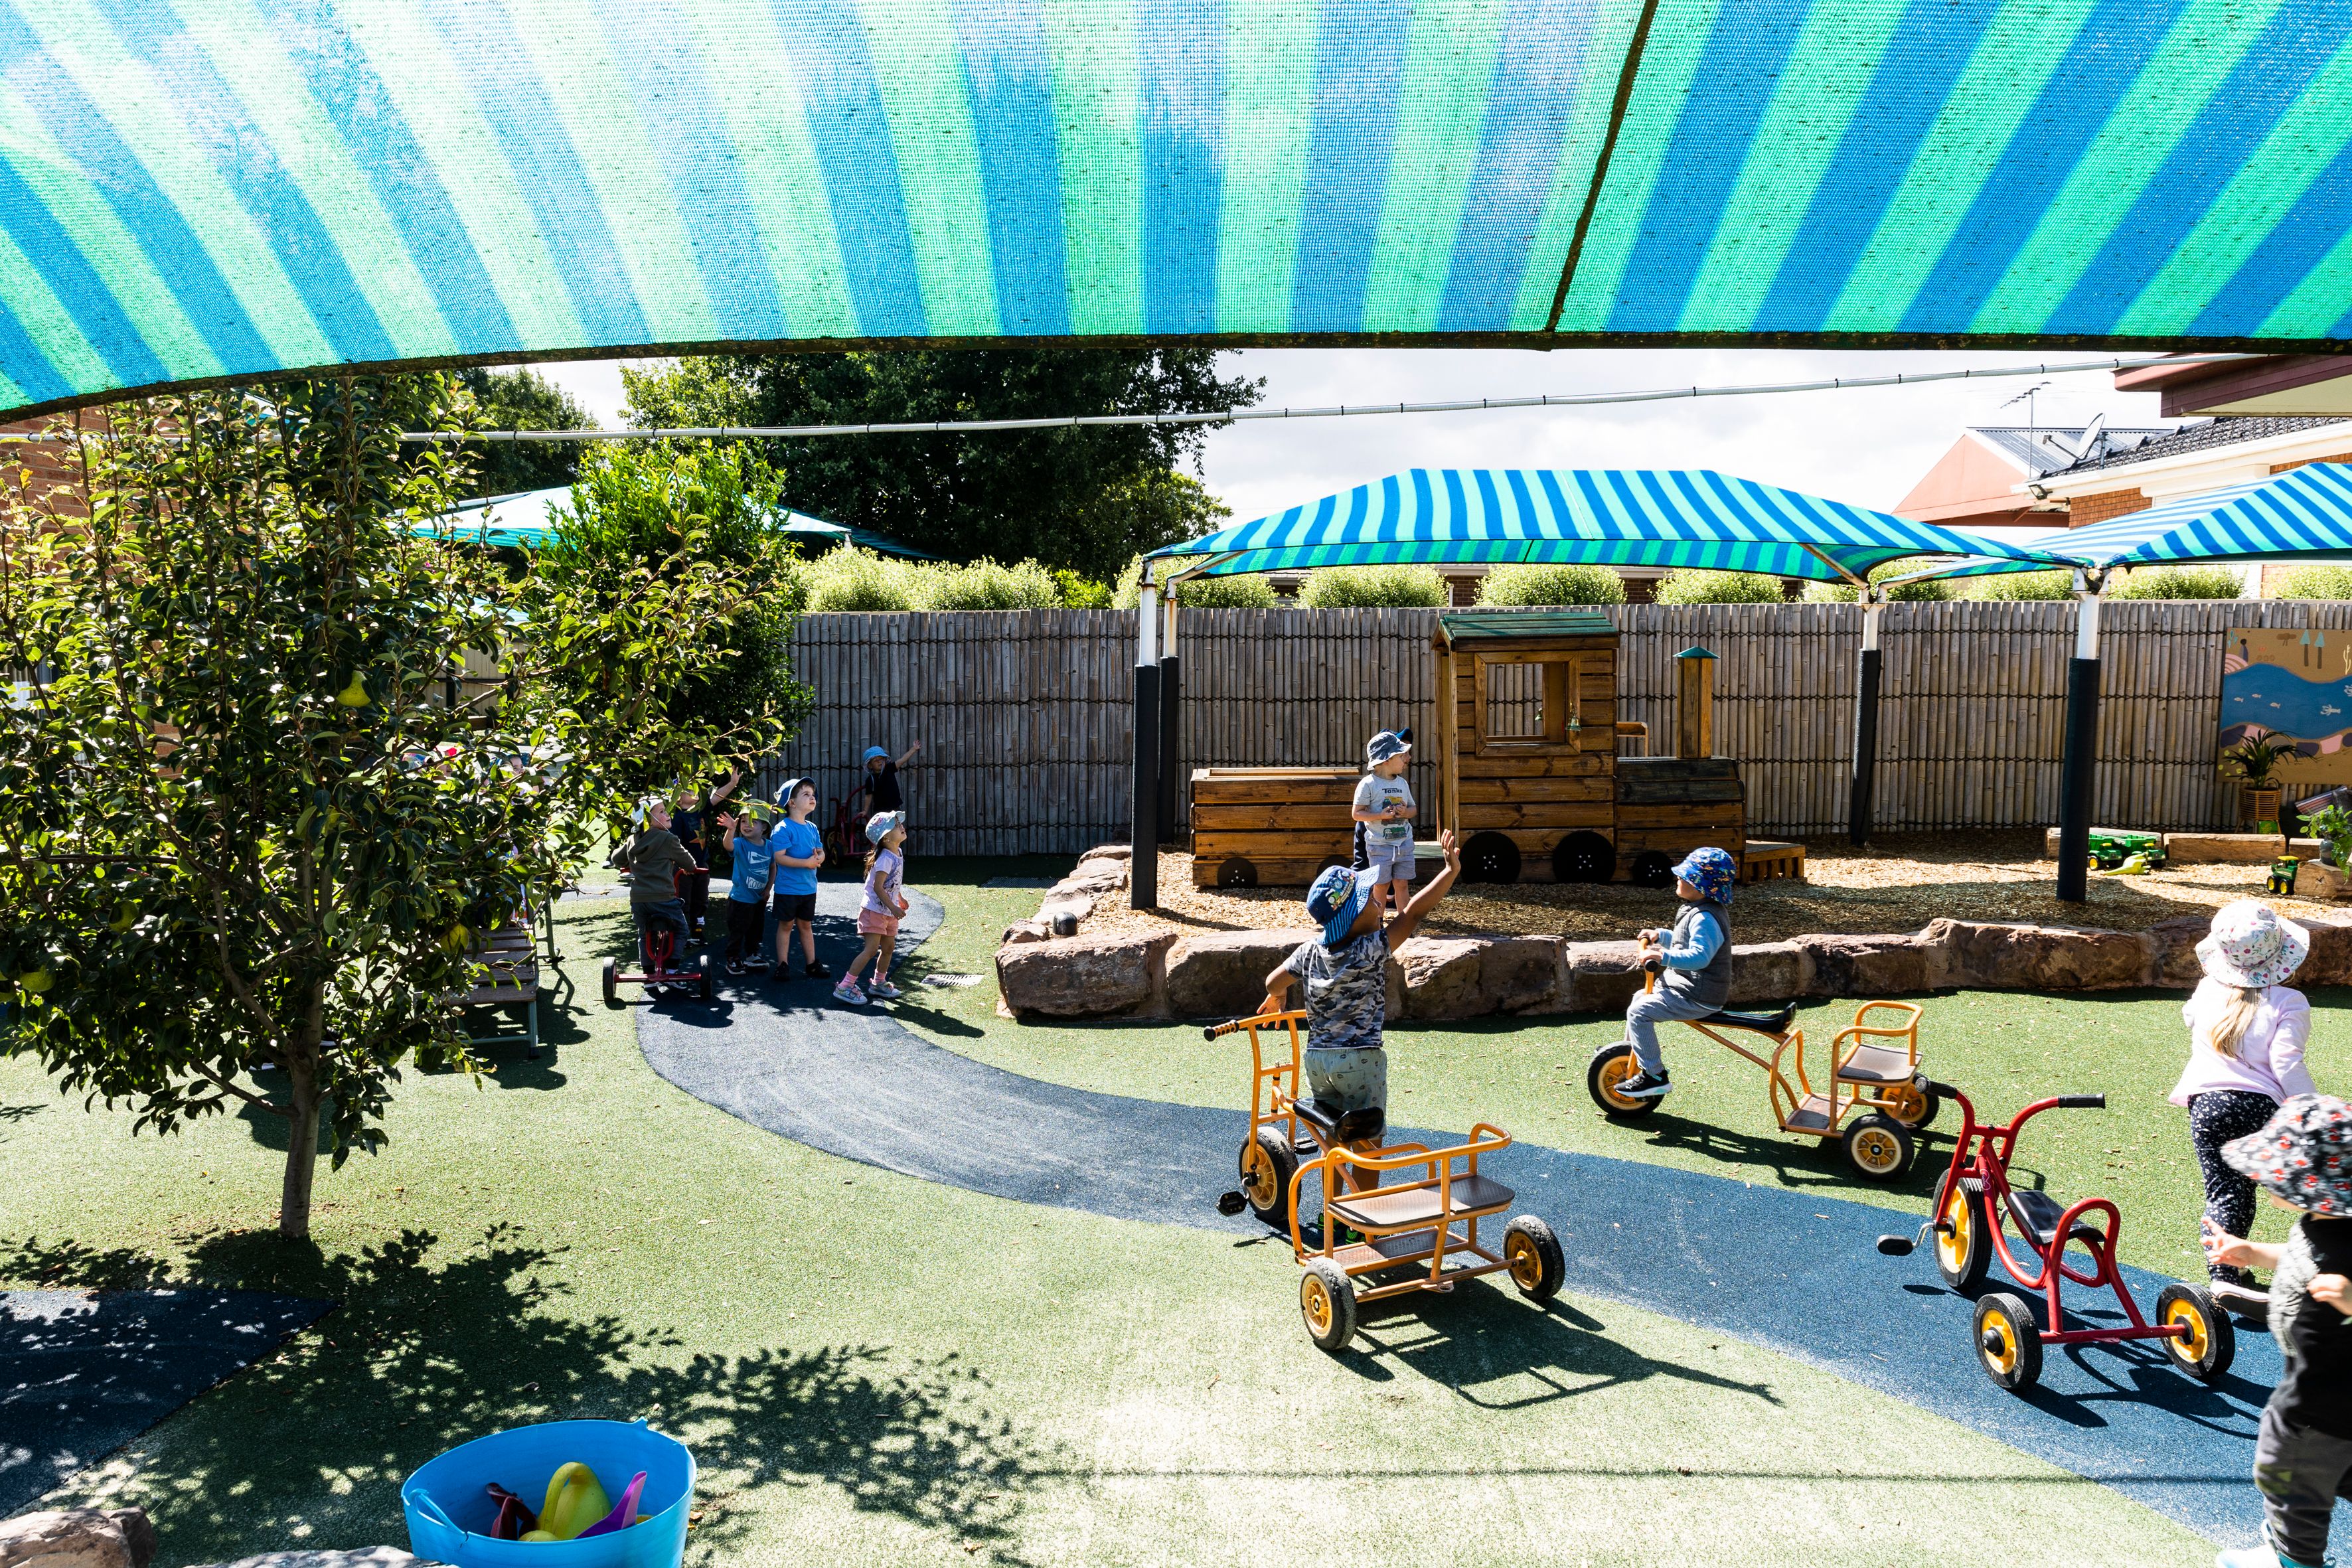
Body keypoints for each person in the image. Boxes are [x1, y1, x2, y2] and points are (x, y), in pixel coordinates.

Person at [1256, 829, 1462, 1192]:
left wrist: (1277, 998)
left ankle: (1332, 1214)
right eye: (1369, 899)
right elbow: (1413, 913)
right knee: (1367, 1143)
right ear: (1352, 918)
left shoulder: (1309, 952)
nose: (1379, 901)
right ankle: (1363, 1215)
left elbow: (1274, 981)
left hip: (1319, 1062)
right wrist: (1449, 872)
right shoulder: (1369, 949)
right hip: (1360, 1061)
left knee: (1335, 1139)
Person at [2203, 1095, 2352, 1568]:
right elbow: (2298, 1256)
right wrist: (2252, 1255)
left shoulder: (2342, 1255)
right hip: (2337, 1403)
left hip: (2312, 1408)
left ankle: (2291, 1560)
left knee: (2285, 1478)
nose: (2260, 1176)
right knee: (2336, 1474)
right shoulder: (2322, 1225)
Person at [2171, 900, 2319, 1320]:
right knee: (2298, 1187)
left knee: (2225, 1190)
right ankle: (2320, 1265)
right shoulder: (2289, 1002)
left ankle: (2224, 1274)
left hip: (2207, 1105)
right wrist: (2311, 1110)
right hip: (2261, 1108)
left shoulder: (2207, 991)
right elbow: (2287, 1064)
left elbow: (2189, 1018)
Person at [1612, 846, 1739, 1101]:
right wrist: (1662, 936)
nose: (1679, 879)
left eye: (1687, 877)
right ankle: (1631, 1054)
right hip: (1684, 987)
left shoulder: (1705, 917)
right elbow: (1684, 941)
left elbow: (1701, 957)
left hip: (1697, 995)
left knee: (1640, 1011)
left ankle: (1655, 1076)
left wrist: (1662, 956)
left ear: (1703, 887)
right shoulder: (1697, 910)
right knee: (1639, 998)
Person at [609, 797, 700, 980]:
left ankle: (648, 975)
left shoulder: (632, 840)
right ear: (648, 820)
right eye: (662, 812)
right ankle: (672, 971)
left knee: (644, 934)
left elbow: (616, 860)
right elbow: (690, 864)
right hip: (664, 898)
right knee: (682, 930)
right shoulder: (668, 839)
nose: (667, 814)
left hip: (639, 899)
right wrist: (687, 868)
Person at [835, 811, 909, 1006]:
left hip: (887, 910)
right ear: (886, 838)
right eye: (895, 825)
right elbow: (878, 887)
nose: (901, 826)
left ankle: (878, 982)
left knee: (889, 947)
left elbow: (892, 883)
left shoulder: (898, 853)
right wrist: (893, 906)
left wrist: (899, 898)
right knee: (870, 949)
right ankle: (845, 986)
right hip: (874, 910)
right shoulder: (886, 858)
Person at [670, 767, 743, 939]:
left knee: (701, 899)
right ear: (678, 799)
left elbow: (716, 797)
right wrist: (681, 864)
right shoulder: (678, 816)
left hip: (701, 865)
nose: (692, 790)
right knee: (683, 899)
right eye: (686, 789)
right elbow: (674, 844)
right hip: (683, 869)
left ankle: (698, 928)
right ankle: (683, 931)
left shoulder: (700, 809)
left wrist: (732, 783)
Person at [769, 776, 828, 981]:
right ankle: (782, 965)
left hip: (808, 889)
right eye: (806, 794)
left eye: (813, 795)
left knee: (806, 926)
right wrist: (807, 863)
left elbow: (821, 852)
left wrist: (819, 858)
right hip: (787, 889)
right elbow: (779, 857)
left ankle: (812, 964)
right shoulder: (783, 829)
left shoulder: (812, 828)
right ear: (791, 803)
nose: (812, 798)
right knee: (786, 926)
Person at [1352, 730, 1416, 915]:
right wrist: (1379, 815)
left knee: (1402, 883)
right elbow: (1357, 814)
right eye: (1400, 755)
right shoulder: (1368, 784)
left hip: (1403, 843)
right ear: (1386, 760)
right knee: (1381, 885)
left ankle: (1405, 922)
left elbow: (1413, 810)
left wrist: (1406, 812)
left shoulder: (1402, 784)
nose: (1405, 759)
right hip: (1380, 845)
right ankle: (1377, 922)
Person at [718, 802, 776, 977]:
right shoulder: (740, 843)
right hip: (740, 899)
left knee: (756, 929)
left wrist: (768, 889)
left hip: (758, 898)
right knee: (738, 930)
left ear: (764, 827)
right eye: (743, 821)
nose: (746, 825)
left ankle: (752, 955)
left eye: (752, 821)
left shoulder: (769, 846)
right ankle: (733, 958)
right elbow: (728, 846)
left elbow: (773, 867)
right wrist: (731, 829)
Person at [855, 742, 921, 832]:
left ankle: (896, 847)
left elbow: (902, 760)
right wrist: (865, 811)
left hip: (895, 809)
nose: (879, 762)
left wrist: (913, 749)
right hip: (881, 812)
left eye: (881, 759)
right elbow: (868, 796)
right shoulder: (870, 780)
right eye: (876, 760)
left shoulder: (889, 769)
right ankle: (882, 847)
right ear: (870, 765)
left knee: (897, 831)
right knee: (882, 833)